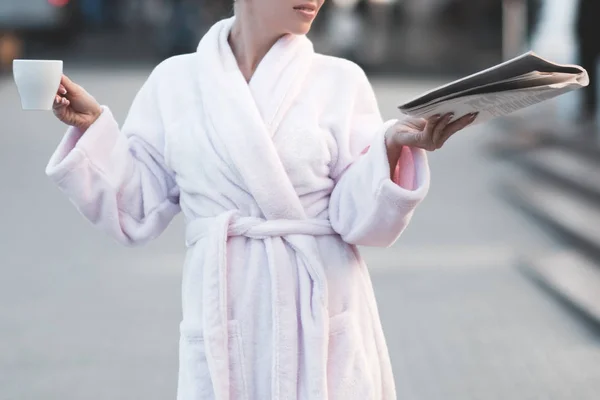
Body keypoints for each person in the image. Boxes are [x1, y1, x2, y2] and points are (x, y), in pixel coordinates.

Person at [47, 0, 477, 398]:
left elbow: (360, 220)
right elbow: (136, 207)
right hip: (223, 313)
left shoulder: (341, 80)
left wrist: (391, 148)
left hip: (321, 318)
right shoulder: (174, 82)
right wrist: (95, 130)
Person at [575, 0, 600, 124]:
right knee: (587, 67)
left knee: (587, 65)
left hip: (588, 24)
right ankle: (589, 105)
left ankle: (589, 105)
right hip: (587, 25)